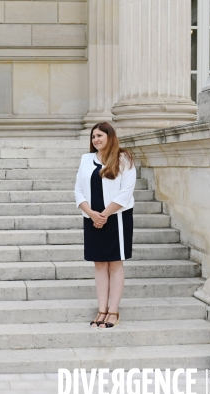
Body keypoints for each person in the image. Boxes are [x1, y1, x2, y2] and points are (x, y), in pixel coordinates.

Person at [74, 122, 136, 330]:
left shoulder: (123, 159)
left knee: (115, 263)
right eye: (93, 137)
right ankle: (101, 309)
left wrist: (105, 215)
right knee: (99, 264)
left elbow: (125, 192)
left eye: (99, 135)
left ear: (110, 136)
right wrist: (92, 214)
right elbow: (78, 190)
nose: (96, 140)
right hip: (92, 219)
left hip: (116, 218)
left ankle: (113, 311)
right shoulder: (85, 160)